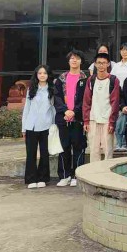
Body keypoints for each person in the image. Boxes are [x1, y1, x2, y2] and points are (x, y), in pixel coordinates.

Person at [53, 51, 87, 187]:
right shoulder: (61, 79)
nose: (74, 61)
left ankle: (76, 175)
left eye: (77, 58)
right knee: (64, 147)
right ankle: (64, 175)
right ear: (68, 61)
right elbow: (56, 97)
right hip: (63, 118)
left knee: (79, 147)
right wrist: (65, 110)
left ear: (81, 61)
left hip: (78, 118)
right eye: (72, 58)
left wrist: (74, 111)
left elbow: (86, 99)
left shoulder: (86, 79)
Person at [83, 52, 121, 162]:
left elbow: (115, 102)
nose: (101, 65)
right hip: (93, 118)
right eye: (99, 63)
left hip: (107, 120)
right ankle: (94, 175)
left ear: (108, 64)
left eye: (104, 63)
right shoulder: (91, 80)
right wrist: (86, 120)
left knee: (108, 150)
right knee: (93, 150)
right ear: (94, 64)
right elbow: (86, 101)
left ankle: (106, 175)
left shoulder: (113, 80)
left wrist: (112, 121)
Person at [22, 64, 55, 189]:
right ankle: (31, 178)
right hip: (31, 126)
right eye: (40, 73)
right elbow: (27, 109)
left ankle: (43, 178)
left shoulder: (51, 90)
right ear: (36, 75)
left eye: (45, 73)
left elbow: (53, 109)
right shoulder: (32, 89)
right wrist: (23, 128)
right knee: (31, 153)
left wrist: (53, 125)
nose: (42, 75)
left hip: (46, 126)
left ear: (48, 75)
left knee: (44, 153)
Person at [112, 42, 127, 152]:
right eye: (122, 49)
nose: (124, 52)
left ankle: (125, 143)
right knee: (118, 118)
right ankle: (119, 143)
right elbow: (112, 80)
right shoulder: (116, 66)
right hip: (117, 95)